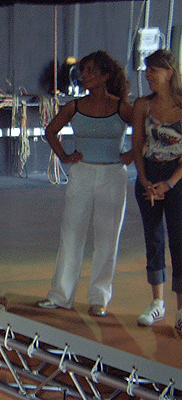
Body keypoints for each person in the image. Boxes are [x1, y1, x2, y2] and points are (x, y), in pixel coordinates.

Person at [36, 51, 133, 316]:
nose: (84, 75)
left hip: (113, 175)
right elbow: (50, 131)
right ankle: (60, 295)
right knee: (71, 234)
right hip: (82, 174)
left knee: (107, 238)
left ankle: (99, 298)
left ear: (105, 76)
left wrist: (132, 154)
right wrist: (65, 156)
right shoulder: (75, 106)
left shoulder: (122, 107)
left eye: (91, 70)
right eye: (84, 70)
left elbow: (146, 131)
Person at [132, 49, 182, 336]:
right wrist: (144, 179)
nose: (148, 75)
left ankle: (181, 309)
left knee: (179, 241)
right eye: (147, 70)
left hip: (177, 178)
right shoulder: (143, 105)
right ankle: (157, 303)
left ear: (169, 73)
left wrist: (170, 183)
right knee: (153, 237)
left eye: (154, 70)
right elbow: (137, 145)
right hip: (150, 174)